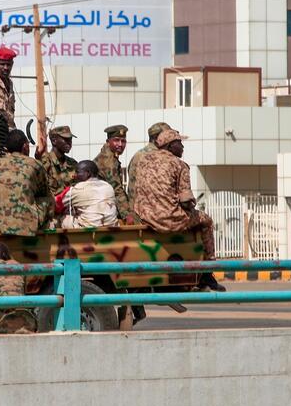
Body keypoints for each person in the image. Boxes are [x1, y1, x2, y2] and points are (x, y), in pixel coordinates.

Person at [133, 128, 226, 292]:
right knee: (206, 221)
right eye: (179, 143)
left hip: (144, 217)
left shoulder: (143, 161)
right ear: (170, 146)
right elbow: (185, 200)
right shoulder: (179, 164)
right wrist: (192, 206)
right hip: (169, 219)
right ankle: (207, 273)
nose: (182, 147)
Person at [0, 129, 53, 237]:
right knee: (48, 198)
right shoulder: (35, 165)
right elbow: (45, 192)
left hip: (1, 225)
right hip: (28, 226)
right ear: (25, 146)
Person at [57, 160, 118, 228]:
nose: (74, 175)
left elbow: (56, 205)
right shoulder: (108, 186)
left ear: (88, 173)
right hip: (110, 228)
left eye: (77, 172)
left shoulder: (78, 189)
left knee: (62, 218)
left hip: (88, 232)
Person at [94, 124, 134, 224]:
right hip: (100, 210)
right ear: (108, 142)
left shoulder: (109, 155)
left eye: (123, 141)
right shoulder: (108, 161)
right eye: (116, 140)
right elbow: (116, 189)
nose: (120, 144)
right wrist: (127, 214)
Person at [127, 121, 171, 207]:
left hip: (138, 209)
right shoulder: (156, 156)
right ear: (155, 138)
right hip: (149, 211)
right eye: (167, 136)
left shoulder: (138, 154)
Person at [39, 125, 78, 196]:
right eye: (65, 139)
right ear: (54, 141)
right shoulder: (45, 162)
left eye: (70, 139)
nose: (69, 143)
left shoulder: (72, 163)